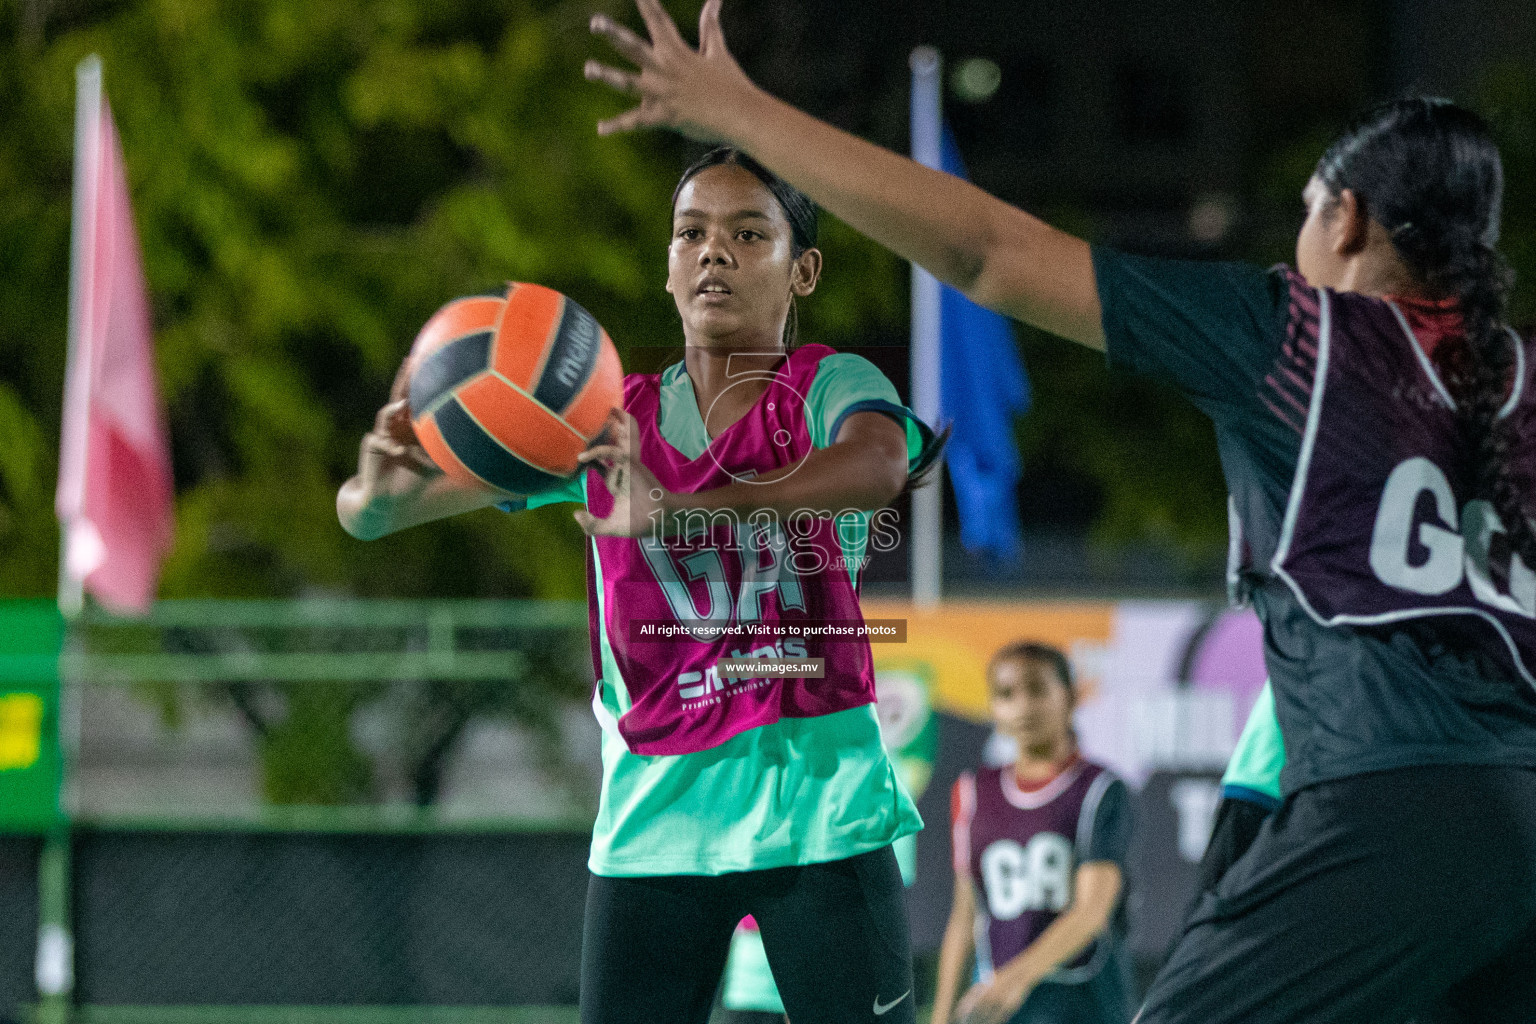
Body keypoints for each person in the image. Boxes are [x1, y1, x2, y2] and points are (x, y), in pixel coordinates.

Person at [584, 4, 1536, 1021]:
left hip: (1382, 814)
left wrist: (747, 115)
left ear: (1341, 220)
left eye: (1305, 210)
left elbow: (989, 252)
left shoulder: (1296, 336)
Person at [338, 145, 946, 1024]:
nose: (713, 253)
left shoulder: (827, 385)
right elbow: (378, 514)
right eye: (690, 233)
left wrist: (687, 509)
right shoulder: (602, 424)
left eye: (748, 233)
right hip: (655, 820)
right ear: (667, 267)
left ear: (801, 268)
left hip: (820, 807)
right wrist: (376, 492)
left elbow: (879, 463)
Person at [935, 642, 1133, 1024]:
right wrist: (941, 1017)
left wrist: (1013, 980)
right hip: (1004, 1007)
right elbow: (965, 915)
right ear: (992, 707)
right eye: (1006, 694)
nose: (1023, 706)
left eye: (1038, 690)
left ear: (1071, 697)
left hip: (1083, 1002)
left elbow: (1092, 910)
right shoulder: (972, 791)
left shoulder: (1100, 789)